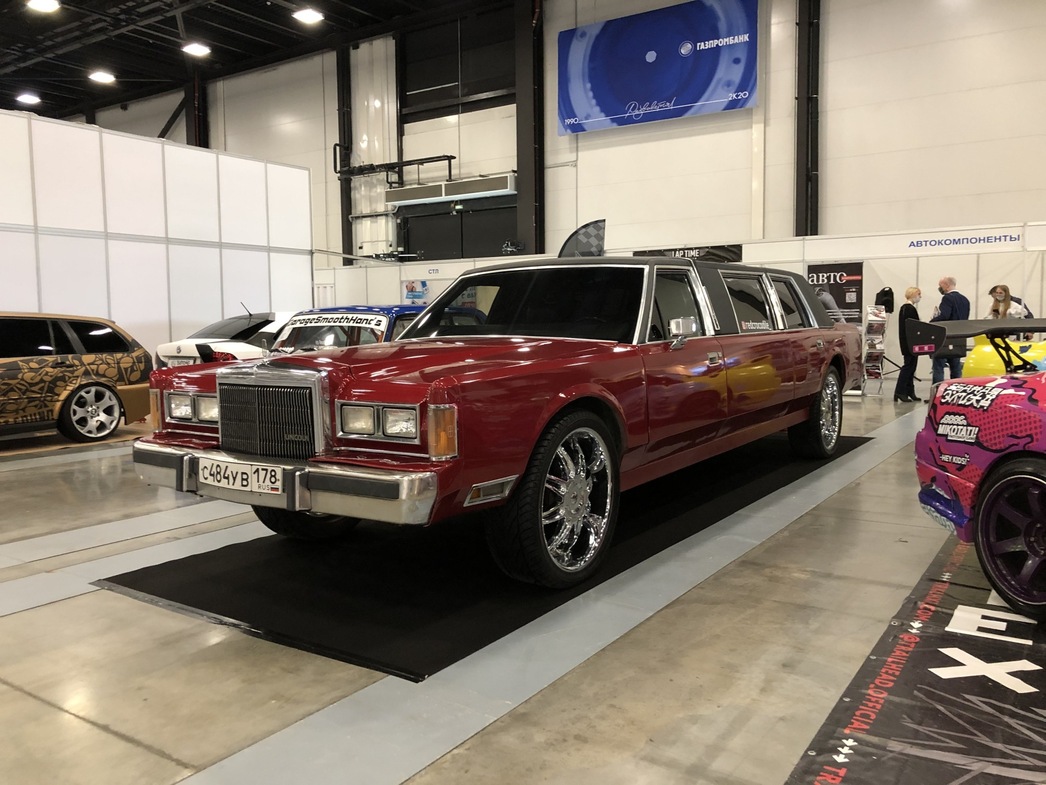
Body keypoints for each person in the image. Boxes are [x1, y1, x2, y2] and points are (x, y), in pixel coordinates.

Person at [929, 276, 970, 384]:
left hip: (945, 338)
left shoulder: (947, 298)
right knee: (956, 367)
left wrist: (932, 321)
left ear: (946, 285)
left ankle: (938, 392)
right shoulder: (965, 300)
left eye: (940, 285)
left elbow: (944, 316)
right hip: (959, 338)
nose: (939, 288)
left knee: (938, 366)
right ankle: (956, 392)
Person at [893, 287, 922, 402]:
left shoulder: (905, 309)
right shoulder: (909, 309)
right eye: (919, 294)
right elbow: (913, 327)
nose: (920, 296)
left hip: (909, 343)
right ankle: (900, 391)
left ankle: (909, 391)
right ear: (913, 294)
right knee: (908, 367)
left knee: (911, 367)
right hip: (910, 343)